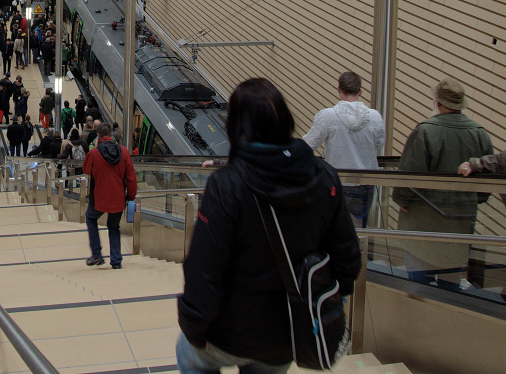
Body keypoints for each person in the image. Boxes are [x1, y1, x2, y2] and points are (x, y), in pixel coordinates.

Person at [176, 78, 361, 374]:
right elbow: (347, 256)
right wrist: (333, 306)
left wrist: (194, 327)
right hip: (287, 334)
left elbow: (204, 268)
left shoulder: (227, 186)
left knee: (188, 354)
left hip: (228, 334)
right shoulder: (325, 177)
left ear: (236, 126)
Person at [394, 79, 493, 288]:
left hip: (423, 224)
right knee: (451, 287)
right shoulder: (480, 133)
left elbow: (409, 175)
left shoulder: (425, 131)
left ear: (437, 103)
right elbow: (485, 189)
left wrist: (402, 200)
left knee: (418, 284)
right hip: (459, 225)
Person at [302, 71, 385, 227]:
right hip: (367, 181)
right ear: (360, 92)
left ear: (339, 89)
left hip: (337, 180)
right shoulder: (375, 117)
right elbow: (379, 143)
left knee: (334, 226)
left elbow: (308, 145)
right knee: (362, 227)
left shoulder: (327, 116)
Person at [81, 123, 136, 269]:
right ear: (111, 134)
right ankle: (116, 260)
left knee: (90, 218)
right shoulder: (123, 152)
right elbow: (131, 178)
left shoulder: (93, 153)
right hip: (118, 198)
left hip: (98, 197)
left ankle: (97, 254)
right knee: (113, 227)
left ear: (98, 136)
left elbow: (87, 170)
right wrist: (131, 197)